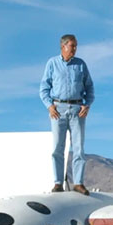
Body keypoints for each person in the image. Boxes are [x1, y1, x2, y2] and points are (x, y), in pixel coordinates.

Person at [39, 34, 94, 195]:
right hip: (58, 109)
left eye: (76, 46)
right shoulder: (52, 63)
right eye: (72, 46)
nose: (75, 49)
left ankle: (78, 182)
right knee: (57, 147)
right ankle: (57, 183)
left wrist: (87, 104)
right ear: (63, 47)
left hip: (77, 109)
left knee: (78, 147)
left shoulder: (81, 65)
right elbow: (44, 87)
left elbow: (89, 87)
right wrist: (49, 106)